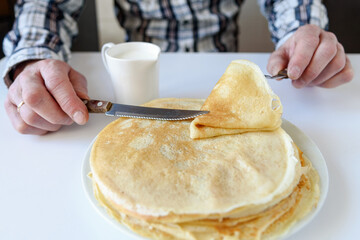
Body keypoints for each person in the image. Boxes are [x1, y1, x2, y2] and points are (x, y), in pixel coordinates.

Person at [2, 0, 354, 135]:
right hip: (140, 91)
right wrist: (33, 62)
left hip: (215, 75)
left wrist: (304, 38)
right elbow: (47, 7)